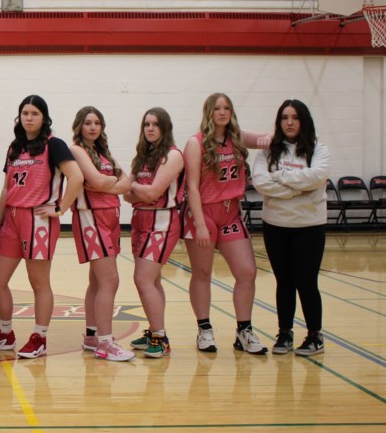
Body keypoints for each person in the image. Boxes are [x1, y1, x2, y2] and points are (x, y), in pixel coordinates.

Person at [0, 95, 83, 359]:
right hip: (12, 219)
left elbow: (77, 177)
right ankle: (5, 333)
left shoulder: (55, 145)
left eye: (34, 113)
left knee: (38, 281)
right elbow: (6, 189)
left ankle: (39, 337)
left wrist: (60, 209)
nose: (29, 117)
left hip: (38, 220)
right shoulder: (16, 146)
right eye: (25, 113)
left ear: (44, 118)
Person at [183, 93, 269, 355]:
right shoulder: (195, 143)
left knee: (247, 272)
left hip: (231, 213)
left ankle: (244, 331)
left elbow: (269, 138)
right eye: (217, 108)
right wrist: (198, 223)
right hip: (204, 213)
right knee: (203, 274)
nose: (222, 112)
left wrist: (298, 132)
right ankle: (204, 329)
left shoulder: (238, 137)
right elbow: (192, 187)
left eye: (227, 108)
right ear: (208, 112)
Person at [252, 100, 330, 356]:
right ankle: (285, 333)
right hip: (276, 225)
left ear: (303, 120)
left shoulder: (319, 149)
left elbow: (317, 177)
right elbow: (261, 182)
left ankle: (314, 336)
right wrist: (300, 188)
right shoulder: (267, 151)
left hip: (309, 227)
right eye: (285, 117)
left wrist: (281, 178)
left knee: (307, 282)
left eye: (294, 117)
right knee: (284, 282)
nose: (289, 122)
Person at [69, 106, 134, 362]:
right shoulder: (76, 149)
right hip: (91, 217)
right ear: (80, 126)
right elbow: (97, 182)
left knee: (98, 281)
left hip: (111, 218)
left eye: (97, 123)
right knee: (110, 280)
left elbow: (127, 182)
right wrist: (111, 182)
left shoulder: (103, 152)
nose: (93, 127)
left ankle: (93, 335)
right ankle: (106, 343)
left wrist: (109, 183)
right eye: (88, 123)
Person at [123, 108, 185, 359]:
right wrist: (136, 189)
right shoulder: (143, 155)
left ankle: (161, 338)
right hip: (140, 219)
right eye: (146, 124)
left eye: (155, 125)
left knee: (143, 279)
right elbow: (126, 195)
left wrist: (134, 186)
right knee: (151, 281)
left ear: (165, 128)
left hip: (162, 221)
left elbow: (149, 193)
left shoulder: (173, 155)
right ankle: (154, 331)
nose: (150, 128)